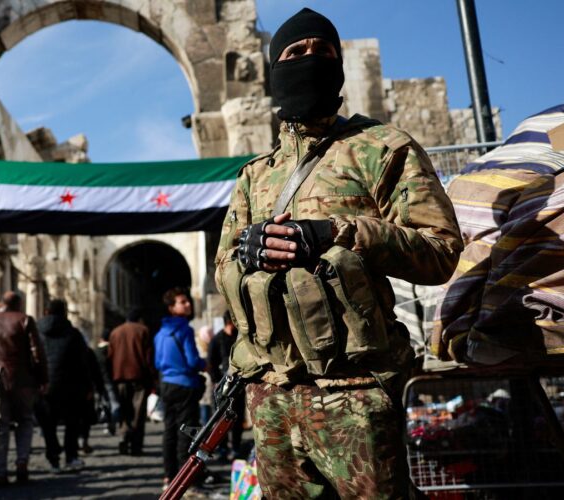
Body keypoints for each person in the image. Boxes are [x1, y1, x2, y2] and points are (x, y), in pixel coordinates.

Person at [214, 8, 463, 498]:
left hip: (357, 393)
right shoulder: (255, 174)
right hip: (273, 396)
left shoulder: (383, 148)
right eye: (295, 52)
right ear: (275, 69)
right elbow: (222, 266)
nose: (310, 58)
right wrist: (249, 251)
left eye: (323, 51)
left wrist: (339, 232)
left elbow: (441, 251)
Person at [433, 104, 564, 364]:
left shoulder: (546, 118)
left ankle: (462, 331)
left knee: (475, 258)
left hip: (470, 181)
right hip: (529, 176)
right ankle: (490, 329)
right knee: (512, 254)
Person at [0, 291, 48, 486]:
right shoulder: (24, 320)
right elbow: (37, 352)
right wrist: (42, 378)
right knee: (24, 421)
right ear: (19, 304)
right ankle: (22, 461)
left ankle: (0, 471)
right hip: (23, 379)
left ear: (0, 303)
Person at [154, 288, 206, 491]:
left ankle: (169, 475)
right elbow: (193, 361)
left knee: (169, 432)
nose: (187, 304)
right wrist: (204, 364)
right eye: (182, 302)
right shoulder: (185, 329)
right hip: (185, 385)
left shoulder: (160, 333)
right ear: (171, 307)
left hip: (166, 384)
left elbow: (157, 361)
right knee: (186, 432)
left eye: (187, 301)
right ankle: (186, 479)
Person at [36, 299, 91, 473]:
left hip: (44, 385)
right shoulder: (73, 334)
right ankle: (70, 456)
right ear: (64, 312)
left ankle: (53, 459)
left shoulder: (37, 333)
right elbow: (84, 362)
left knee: (48, 425)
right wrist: (88, 386)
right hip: (71, 386)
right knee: (72, 424)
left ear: (46, 312)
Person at [107, 308, 154, 456]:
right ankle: (135, 445)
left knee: (125, 409)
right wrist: (153, 378)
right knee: (138, 413)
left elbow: (110, 356)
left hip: (120, 376)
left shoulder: (115, 332)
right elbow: (149, 357)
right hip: (139, 376)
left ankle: (123, 436)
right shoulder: (143, 330)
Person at [207, 313, 246, 461]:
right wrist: (217, 380)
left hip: (238, 386)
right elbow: (211, 363)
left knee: (237, 417)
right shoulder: (217, 339)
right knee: (220, 419)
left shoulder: (239, 339)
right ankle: (221, 448)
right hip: (222, 386)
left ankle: (235, 447)